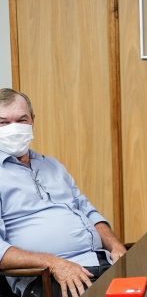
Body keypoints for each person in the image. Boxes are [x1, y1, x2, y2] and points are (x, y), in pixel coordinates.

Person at [0, 88, 127, 297]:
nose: (14, 128)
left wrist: (116, 247)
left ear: (32, 121)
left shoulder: (52, 165)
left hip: (101, 262)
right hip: (49, 278)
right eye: (3, 123)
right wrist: (53, 263)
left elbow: (88, 211)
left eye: (22, 120)